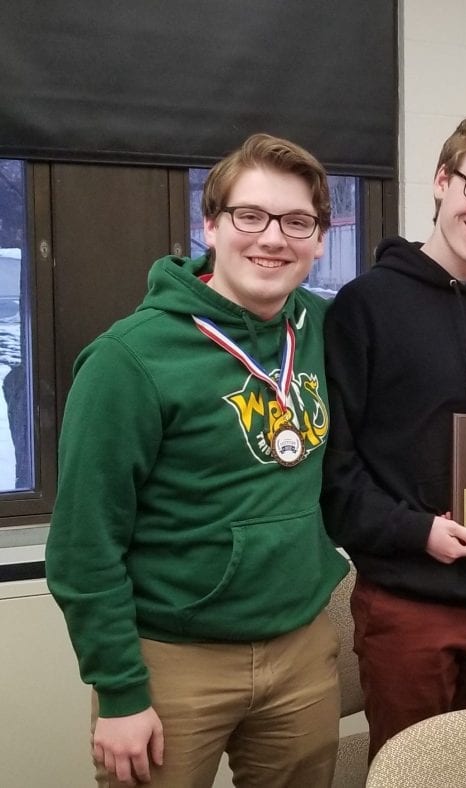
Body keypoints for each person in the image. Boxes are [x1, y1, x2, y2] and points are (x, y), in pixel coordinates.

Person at [45, 133, 350, 787]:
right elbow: (82, 546)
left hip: (300, 646)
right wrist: (120, 692)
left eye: (297, 221)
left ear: (320, 238)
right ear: (210, 224)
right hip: (171, 661)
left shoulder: (321, 328)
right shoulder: (130, 359)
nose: (273, 238)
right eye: (251, 216)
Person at [320, 111, 466, 760]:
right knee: (414, 773)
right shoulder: (364, 307)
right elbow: (334, 474)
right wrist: (416, 530)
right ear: (441, 181)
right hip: (411, 602)